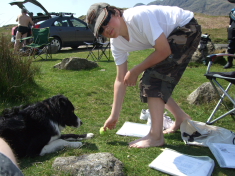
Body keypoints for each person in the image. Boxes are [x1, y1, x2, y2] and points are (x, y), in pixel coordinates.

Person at [86, 3, 201, 148]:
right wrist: (114, 115)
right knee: (152, 80)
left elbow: (163, 50)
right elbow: (120, 79)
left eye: (105, 22)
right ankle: (181, 117)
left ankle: (156, 136)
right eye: (101, 30)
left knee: (152, 80)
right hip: (173, 35)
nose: (106, 29)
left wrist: (135, 71)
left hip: (187, 27)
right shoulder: (117, 44)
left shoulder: (137, 17)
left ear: (116, 12)